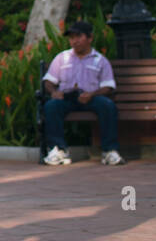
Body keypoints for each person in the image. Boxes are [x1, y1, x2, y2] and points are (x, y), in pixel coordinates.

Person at [42, 20, 122, 166]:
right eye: (71, 37)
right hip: (67, 97)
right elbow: (49, 81)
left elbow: (108, 86)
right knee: (51, 106)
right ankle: (58, 150)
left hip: (90, 97)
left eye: (78, 37)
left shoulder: (100, 60)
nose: (74, 41)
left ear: (90, 38)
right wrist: (54, 92)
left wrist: (93, 94)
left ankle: (109, 151)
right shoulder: (62, 57)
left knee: (108, 106)